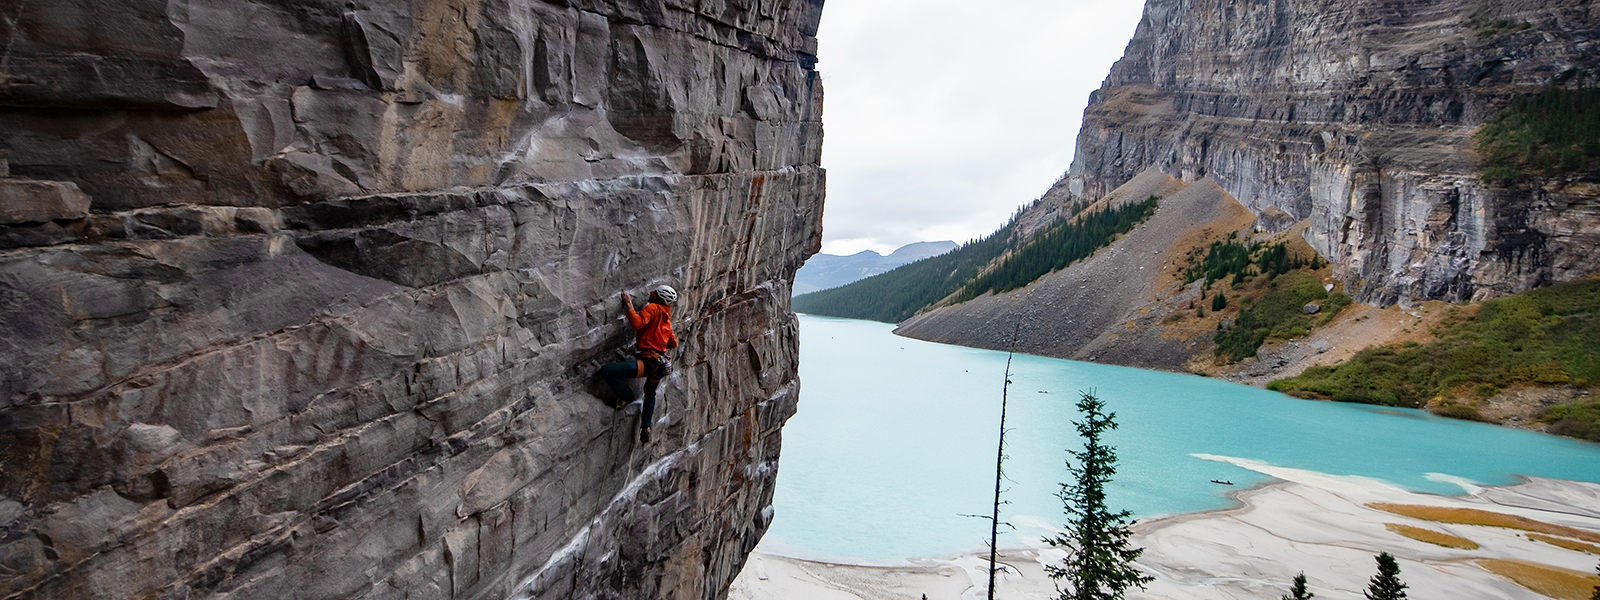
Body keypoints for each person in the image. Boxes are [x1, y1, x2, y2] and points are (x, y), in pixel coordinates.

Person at [597, 284, 679, 444]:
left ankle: (626, 396)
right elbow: (673, 342)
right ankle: (646, 427)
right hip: (659, 366)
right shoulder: (666, 320)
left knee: (607, 371)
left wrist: (628, 304)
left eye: (655, 292)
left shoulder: (653, 308)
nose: (651, 292)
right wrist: (657, 344)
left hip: (648, 363)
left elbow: (637, 323)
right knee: (650, 393)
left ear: (659, 296)